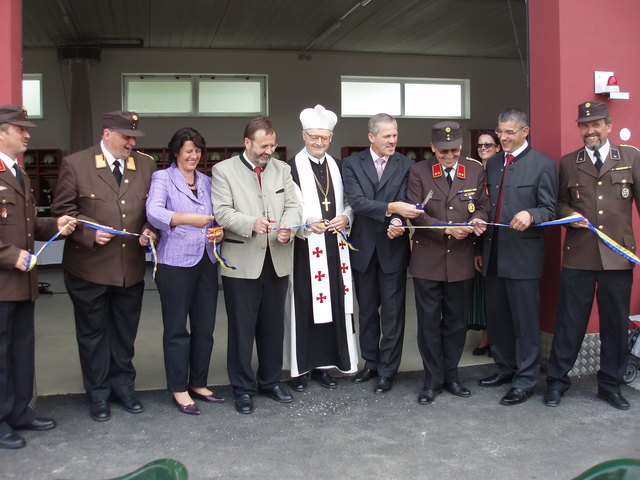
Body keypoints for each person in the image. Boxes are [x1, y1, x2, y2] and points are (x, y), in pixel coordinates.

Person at [52, 111, 156, 422]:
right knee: (93, 334)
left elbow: (154, 208)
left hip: (129, 269)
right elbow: (63, 211)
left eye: (134, 136)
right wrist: (87, 232)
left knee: (124, 334)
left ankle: (123, 388)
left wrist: (152, 228)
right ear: (107, 133)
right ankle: (97, 394)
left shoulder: (146, 164)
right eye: (126, 136)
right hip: (89, 269)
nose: (131, 142)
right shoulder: (77, 164)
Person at [545, 101, 640, 410]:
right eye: (585, 126)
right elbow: (558, 203)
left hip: (618, 255)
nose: (590, 130)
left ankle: (610, 385)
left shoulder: (629, 157)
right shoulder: (569, 162)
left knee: (615, 323)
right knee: (570, 322)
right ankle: (557, 381)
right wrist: (569, 213)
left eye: (596, 124)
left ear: (608, 125)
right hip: (579, 256)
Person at [211, 116, 302, 414]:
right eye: (263, 146)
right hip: (241, 262)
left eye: (272, 145)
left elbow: (293, 206)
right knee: (241, 327)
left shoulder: (282, 169)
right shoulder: (223, 171)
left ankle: (271, 380)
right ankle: (242, 387)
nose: (268, 151)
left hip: (276, 258)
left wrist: (288, 227)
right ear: (247, 143)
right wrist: (252, 223)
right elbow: (222, 212)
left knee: (273, 325)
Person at [0, 105, 76, 449]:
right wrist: (9, 255)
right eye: (20, 129)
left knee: (21, 351)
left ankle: (19, 412)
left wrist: (55, 226)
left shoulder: (19, 173)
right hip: (4, 281)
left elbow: (28, 227)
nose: (28, 134)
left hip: (22, 284)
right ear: (2, 131)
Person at [477, 108, 558, 405]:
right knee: (497, 318)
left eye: (510, 132)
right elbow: (484, 205)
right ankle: (504, 368)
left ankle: (525, 380)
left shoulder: (543, 165)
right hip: (493, 253)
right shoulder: (493, 163)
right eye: (500, 131)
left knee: (524, 321)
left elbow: (551, 208)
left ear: (525, 131)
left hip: (523, 256)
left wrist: (531, 213)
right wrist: (479, 251)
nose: (503, 137)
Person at [407, 122, 489, 405]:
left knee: (455, 322)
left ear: (461, 147)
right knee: (429, 322)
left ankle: (451, 375)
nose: (449, 155)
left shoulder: (475, 169)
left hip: (461, 258)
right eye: (443, 151)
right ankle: (432, 379)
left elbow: (482, 205)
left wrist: (478, 218)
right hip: (428, 258)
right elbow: (415, 213)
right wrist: (445, 229)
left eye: (454, 150)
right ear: (433, 148)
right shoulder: (419, 171)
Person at [146, 127, 225, 415]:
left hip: (206, 260)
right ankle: (179, 388)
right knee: (177, 329)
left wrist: (219, 233)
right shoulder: (162, 178)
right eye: (188, 150)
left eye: (197, 151)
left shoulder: (206, 181)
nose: (193, 155)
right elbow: (154, 212)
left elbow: (217, 216)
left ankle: (199, 383)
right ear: (176, 152)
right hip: (174, 263)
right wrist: (188, 219)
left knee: (205, 328)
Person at [342, 113, 421, 394]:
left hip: (393, 248)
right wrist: (393, 210)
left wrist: (400, 220)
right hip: (363, 249)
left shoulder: (407, 165)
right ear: (371, 137)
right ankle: (371, 363)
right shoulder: (351, 164)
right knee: (367, 313)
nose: (393, 141)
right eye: (387, 136)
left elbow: (408, 201)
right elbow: (358, 202)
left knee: (392, 313)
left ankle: (388, 370)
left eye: (395, 135)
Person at [285, 105, 358, 392]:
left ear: (331, 138)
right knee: (305, 306)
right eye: (313, 137)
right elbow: (287, 208)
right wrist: (305, 221)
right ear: (303, 135)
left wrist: (346, 217)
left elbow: (352, 202)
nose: (318, 143)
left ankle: (326, 366)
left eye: (324, 138)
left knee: (335, 305)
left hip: (335, 245)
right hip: (306, 249)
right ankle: (302, 367)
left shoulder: (339, 167)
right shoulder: (290, 168)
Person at [469, 131, 501, 356]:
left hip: (502, 241)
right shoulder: (473, 172)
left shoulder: (501, 171)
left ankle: (497, 341)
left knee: (499, 295)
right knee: (482, 295)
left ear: (498, 147)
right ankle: (486, 337)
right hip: (478, 241)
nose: (483, 148)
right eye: (480, 145)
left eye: (488, 144)